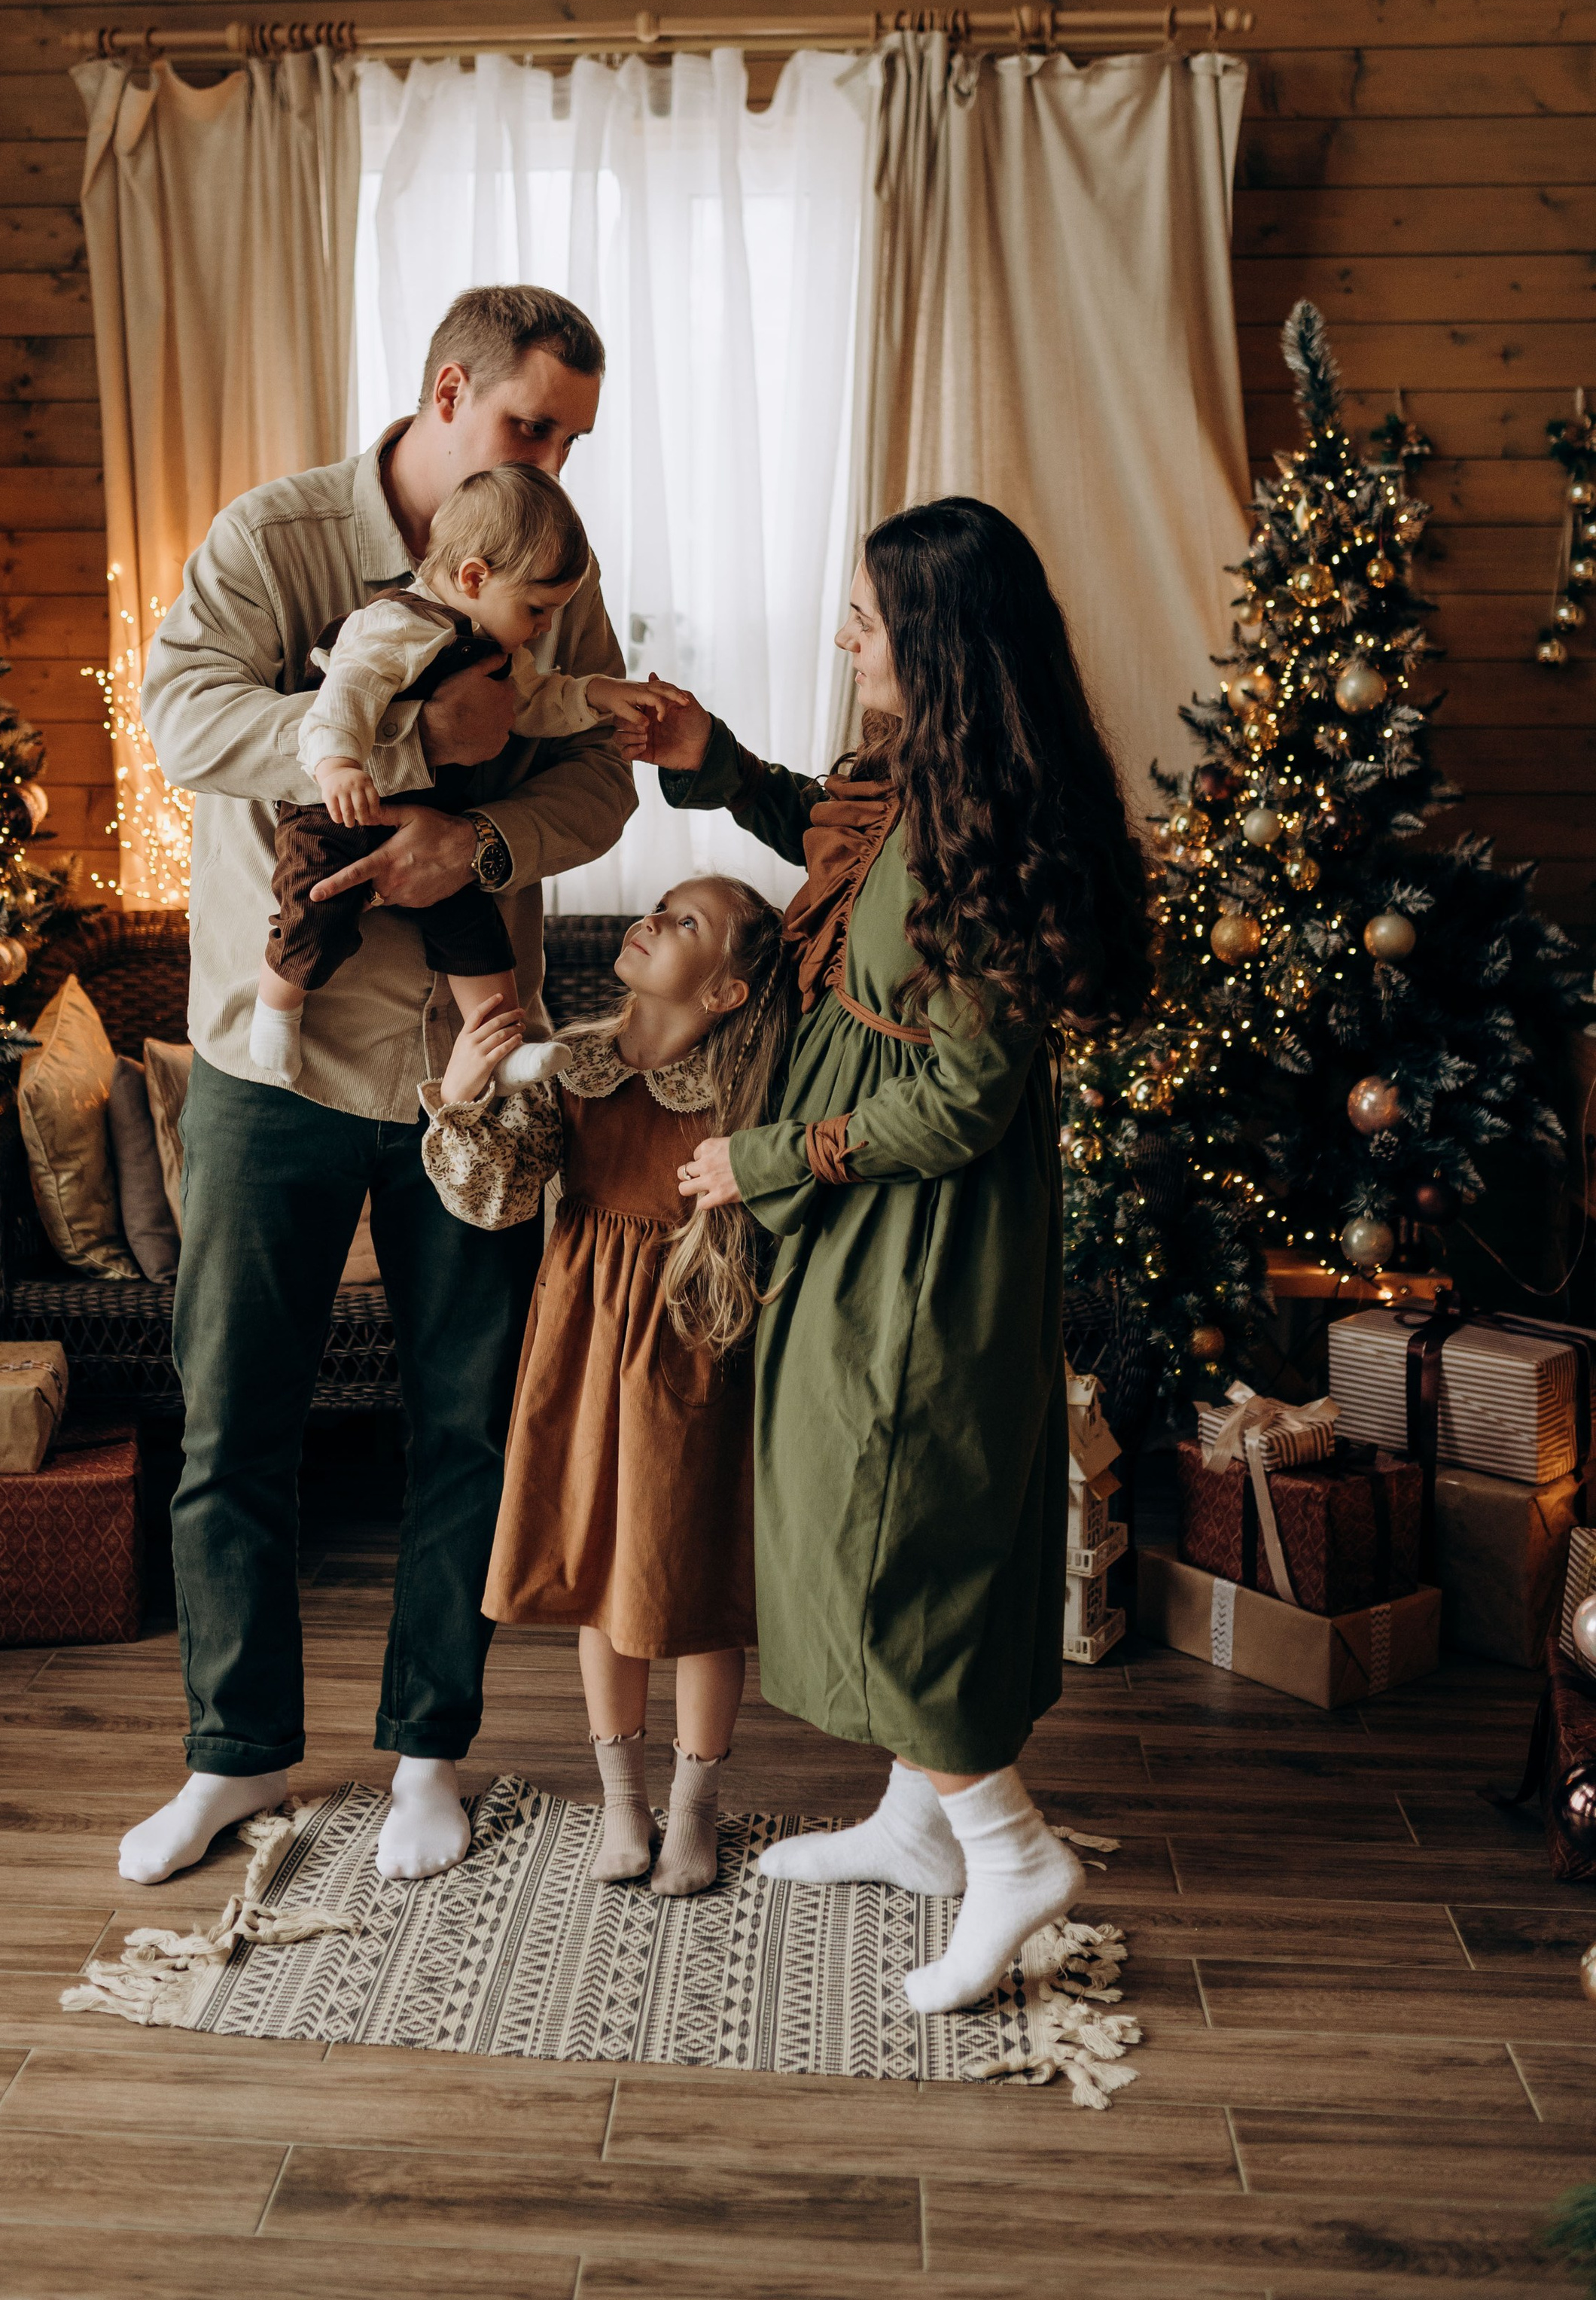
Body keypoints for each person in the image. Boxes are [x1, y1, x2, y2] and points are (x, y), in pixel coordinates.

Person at [119, 285, 635, 1890]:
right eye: (531, 424)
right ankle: (234, 1754)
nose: (555, 458)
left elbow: (597, 781)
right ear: (444, 389)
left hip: (468, 1080)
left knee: (465, 1419)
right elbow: (179, 711)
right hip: (270, 1064)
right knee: (231, 1422)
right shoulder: (275, 537)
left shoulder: (556, 559)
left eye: (573, 437)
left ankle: (431, 1751)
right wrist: (398, 736)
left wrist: (465, 841)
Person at [647, 498, 1151, 2009]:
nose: (842, 636)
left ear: (935, 644)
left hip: (919, 1245)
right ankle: (915, 1827)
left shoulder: (987, 830)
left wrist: (761, 1158)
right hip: (868, 1232)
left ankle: (1007, 1849)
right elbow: (836, 840)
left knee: (883, 1540)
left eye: (864, 619)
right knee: (872, 1509)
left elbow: (960, 1095)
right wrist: (710, 759)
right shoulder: (922, 789)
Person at [419, 879, 796, 1896]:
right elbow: (495, 1194)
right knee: (600, 1563)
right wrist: (462, 1093)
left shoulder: (751, 1086)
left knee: (688, 1574)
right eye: (661, 906)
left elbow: (793, 1203)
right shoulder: (572, 1065)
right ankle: (622, 1804)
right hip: (582, 1333)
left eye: (688, 925)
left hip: (691, 1334)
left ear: (725, 992)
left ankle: (693, 1810)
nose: (654, 921)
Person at [252, 465, 678, 1086]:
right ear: (473, 576)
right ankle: (276, 1010)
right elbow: (341, 698)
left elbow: (538, 702)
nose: (543, 628)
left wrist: (601, 693)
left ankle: (501, 1048)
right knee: (315, 905)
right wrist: (339, 764)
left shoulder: (493, 647)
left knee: (475, 927)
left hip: (435, 817)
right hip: (339, 809)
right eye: (536, 610)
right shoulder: (393, 624)